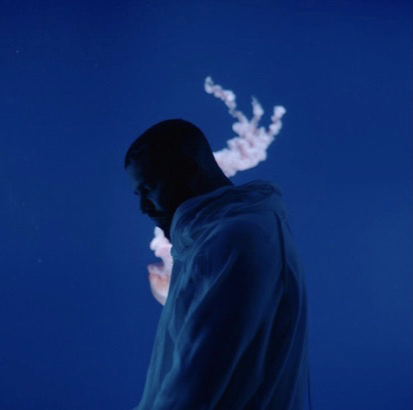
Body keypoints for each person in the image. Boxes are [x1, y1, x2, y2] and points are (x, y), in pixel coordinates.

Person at [125, 119, 309, 410]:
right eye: (139, 194)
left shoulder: (236, 239)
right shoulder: (226, 239)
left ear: (188, 171)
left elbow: (199, 379)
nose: (143, 208)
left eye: (149, 188)